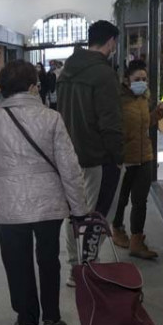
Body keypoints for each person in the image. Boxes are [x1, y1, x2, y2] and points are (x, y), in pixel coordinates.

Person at [0, 61, 88, 325]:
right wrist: (79, 208)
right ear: (34, 87)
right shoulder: (51, 118)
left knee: (17, 262)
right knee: (48, 260)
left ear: (1, 89)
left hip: (10, 205)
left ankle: (26, 322)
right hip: (49, 203)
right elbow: (70, 166)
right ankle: (52, 320)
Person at [57, 20, 124, 285]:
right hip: (97, 156)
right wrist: (117, 157)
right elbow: (110, 121)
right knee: (96, 215)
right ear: (111, 42)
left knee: (74, 213)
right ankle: (89, 266)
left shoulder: (65, 72)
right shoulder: (103, 74)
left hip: (69, 154)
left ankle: (76, 267)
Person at [112, 60, 163, 259]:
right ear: (127, 80)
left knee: (140, 201)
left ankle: (137, 241)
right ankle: (117, 228)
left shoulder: (144, 98)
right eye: (137, 79)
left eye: (144, 79)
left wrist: (158, 113)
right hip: (126, 159)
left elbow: (146, 123)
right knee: (122, 198)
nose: (142, 82)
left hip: (145, 156)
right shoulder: (118, 101)